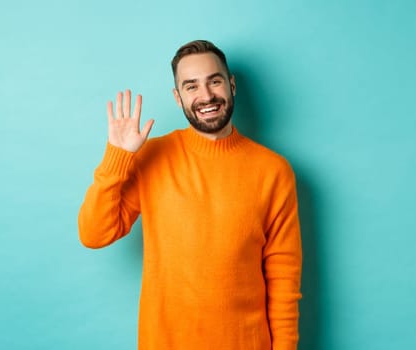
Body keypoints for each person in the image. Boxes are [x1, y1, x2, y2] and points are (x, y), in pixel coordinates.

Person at [77, 40, 302, 350]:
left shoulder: (274, 171)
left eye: (215, 81)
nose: (206, 95)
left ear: (231, 85)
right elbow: (94, 234)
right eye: (191, 86)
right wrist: (117, 157)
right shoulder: (150, 158)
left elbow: (283, 280)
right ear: (177, 96)